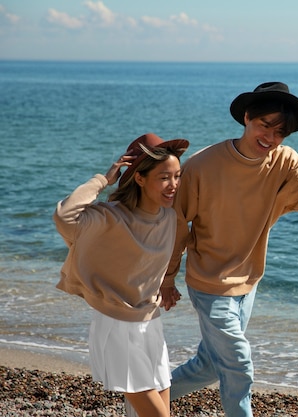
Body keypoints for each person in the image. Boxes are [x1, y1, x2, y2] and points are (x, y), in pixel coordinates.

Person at [160, 81, 298, 416]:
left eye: (280, 132)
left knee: (210, 366)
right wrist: (167, 279)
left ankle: (145, 401)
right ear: (246, 118)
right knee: (238, 367)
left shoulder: (284, 161)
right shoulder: (202, 166)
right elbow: (176, 225)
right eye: (264, 126)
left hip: (249, 284)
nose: (270, 138)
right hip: (210, 285)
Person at [53, 133, 189, 417]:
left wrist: (168, 281)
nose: (173, 185)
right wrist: (104, 179)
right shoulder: (109, 217)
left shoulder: (169, 217)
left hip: (151, 322)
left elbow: (175, 250)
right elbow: (66, 216)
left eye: (177, 176)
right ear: (139, 178)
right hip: (117, 327)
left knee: (160, 410)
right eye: (165, 177)